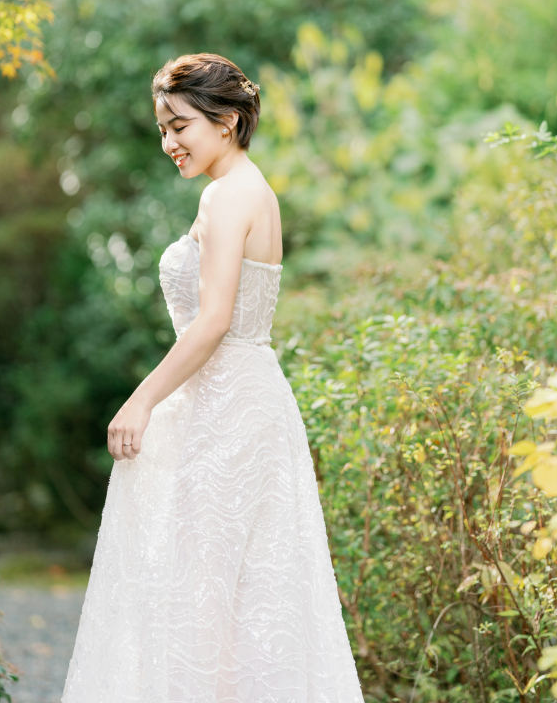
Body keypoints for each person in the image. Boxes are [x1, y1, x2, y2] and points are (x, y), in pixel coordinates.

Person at [62, 53, 364, 703]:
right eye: (163, 129)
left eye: (179, 126)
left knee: (209, 592)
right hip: (234, 404)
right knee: (230, 594)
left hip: (231, 412)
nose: (168, 142)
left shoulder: (230, 195)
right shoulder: (247, 188)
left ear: (225, 120)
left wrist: (139, 401)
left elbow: (214, 320)